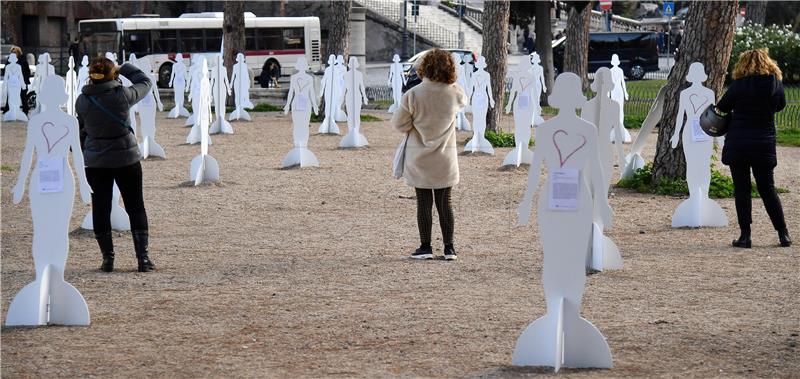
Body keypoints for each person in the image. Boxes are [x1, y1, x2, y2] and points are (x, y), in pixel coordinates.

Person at [75, 57, 156, 272]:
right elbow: (145, 82)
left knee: (100, 209)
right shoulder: (122, 96)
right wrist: (124, 67)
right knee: (135, 207)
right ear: (114, 75)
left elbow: (81, 131)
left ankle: (107, 259)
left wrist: (89, 151)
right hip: (126, 159)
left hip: (96, 162)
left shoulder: (82, 101)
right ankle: (143, 259)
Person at [391, 49, 467, 261]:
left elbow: (399, 124)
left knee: (423, 202)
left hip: (419, 157)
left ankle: (425, 246)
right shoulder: (455, 93)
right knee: (445, 202)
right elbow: (463, 104)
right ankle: (449, 248)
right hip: (445, 156)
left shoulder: (413, 94)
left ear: (424, 67)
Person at [717, 48, 791, 248]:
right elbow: (781, 105)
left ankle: (745, 235)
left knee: (742, 190)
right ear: (767, 62)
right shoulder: (775, 84)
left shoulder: (739, 85)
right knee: (768, 189)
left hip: (739, 143)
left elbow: (722, 107)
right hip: (763, 142)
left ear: (743, 65)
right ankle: (783, 233)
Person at [1, 46, 31, 114]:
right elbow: (5, 70)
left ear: (18, 52)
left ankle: (25, 110)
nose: (13, 53)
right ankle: (7, 109)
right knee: (10, 96)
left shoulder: (23, 60)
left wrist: (25, 81)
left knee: (23, 97)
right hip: (11, 81)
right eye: (12, 52)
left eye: (14, 52)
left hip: (22, 81)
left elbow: (27, 71)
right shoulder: (9, 60)